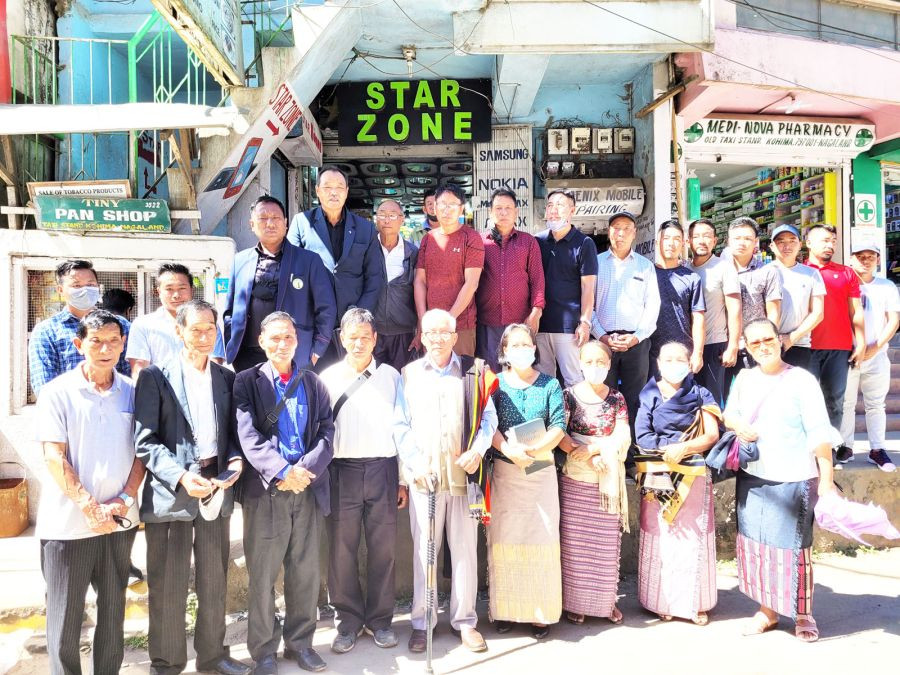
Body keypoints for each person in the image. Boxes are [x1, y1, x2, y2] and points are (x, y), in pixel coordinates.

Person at [134, 300, 249, 675]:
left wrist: (233, 462)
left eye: (210, 329)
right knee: (168, 585)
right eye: (195, 329)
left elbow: (233, 434)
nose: (203, 337)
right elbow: (145, 441)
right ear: (179, 331)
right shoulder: (155, 376)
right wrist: (182, 476)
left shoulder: (225, 378)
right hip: (173, 493)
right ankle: (167, 664)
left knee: (214, 580)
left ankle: (213, 656)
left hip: (215, 487)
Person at [34, 309, 144, 675]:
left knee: (113, 612)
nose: (106, 348)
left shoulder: (132, 392)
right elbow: (54, 454)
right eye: (96, 341)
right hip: (68, 526)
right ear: (80, 344)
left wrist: (124, 500)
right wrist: (87, 504)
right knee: (65, 617)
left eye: (114, 340)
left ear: (123, 344)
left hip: (119, 522)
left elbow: (143, 452)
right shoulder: (57, 392)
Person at [234, 312, 335, 674]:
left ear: (298, 340)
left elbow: (327, 431)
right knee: (263, 575)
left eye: (288, 337)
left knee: (305, 571)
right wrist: (282, 471)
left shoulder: (312, 382)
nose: (282, 344)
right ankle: (263, 651)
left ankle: (300, 644)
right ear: (261, 340)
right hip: (267, 493)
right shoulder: (247, 382)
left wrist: (304, 471)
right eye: (274, 338)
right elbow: (247, 436)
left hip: (306, 488)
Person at [724, 318, 836, 643]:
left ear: (779, 339)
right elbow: (729, 413)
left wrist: (826, 481)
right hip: (753, 477)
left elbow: (819, 432)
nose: (763, 346)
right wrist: (737, 425)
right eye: (755, 342)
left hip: (795, 478)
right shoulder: (744, 378)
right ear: (746, 346)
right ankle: (768, 611)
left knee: (796, 550)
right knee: (758, 546)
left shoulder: (802, 380)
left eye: (768, 339)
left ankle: (803, 613)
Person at [393, 309, 498, 654]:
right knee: (426, 552)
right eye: (431, 332)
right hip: (426, 478)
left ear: (455, 337)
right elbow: (400, 426)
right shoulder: (407, 375)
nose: (437, 338)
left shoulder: (475, 370)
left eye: (444, 332)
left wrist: (478, 451)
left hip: (463, 478)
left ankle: (465, 622)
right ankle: (423, 622)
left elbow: (488, 419)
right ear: (421, 337)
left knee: (466, 551)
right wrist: (412, 466)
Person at [319, 308, 408, 654]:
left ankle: (381, 620)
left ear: (375, 339)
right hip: (342, 472)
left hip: (383, 470)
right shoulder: (326, 378)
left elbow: (402, 428)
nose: (358, 343)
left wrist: (401, 478)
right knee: (341, 550)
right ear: (342, 338)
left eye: (365, 337)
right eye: (351, 337)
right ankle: (348, 621)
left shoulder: (392, 377)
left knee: (383, 549)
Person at [634, 342, 721, 626]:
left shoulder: (700, 394)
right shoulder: (649, 393)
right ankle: (662, 601)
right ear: (658, 363)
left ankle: (695, 602)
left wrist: (684, 449)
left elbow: (711, 435)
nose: (674, 363)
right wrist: (668, 450)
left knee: (691, 538)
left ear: (690, 362)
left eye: (680, 358)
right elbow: (643, 436)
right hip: (658, 471)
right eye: (668, 359)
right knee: (663, 537)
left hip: (693, 473)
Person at [488, 323, 565, 639]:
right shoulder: (494, 386)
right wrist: (507, 449)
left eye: (526, 344)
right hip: (506, 474)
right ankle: (505, 610)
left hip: (540, 471)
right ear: (504, 351)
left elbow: (559, 425)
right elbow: (485, 425)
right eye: (514, 345)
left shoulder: (550, 385)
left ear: (535, 349)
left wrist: (534, 449)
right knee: (505, 540)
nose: (521, 350)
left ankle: (540, 612)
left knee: (541, 538)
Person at [556, 341, 630, 625]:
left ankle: (604, 602)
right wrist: (583, 453)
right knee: (576, 544)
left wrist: (598, 451)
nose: (595, 367)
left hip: (607, 478)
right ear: (580, 363)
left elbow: (623, 435)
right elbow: (560, 435)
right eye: (589, 362)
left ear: (609, 365)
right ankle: (576, 603)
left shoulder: (617, 398)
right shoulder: (568, 396)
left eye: (601, 362)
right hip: (577, 476)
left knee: (606, 544)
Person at [224, 195, 336, 373]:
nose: (270, 223)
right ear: (252, 224)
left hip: (292, 355)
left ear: (285, 223)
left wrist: (316, 351)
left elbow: (326, 308)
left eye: (276, 218)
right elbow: (229, 309)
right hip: (246, 356)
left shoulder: (309, 261)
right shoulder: (240, 260)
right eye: (263, 218)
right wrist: (230, 343)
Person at [288, 166, 384, 369]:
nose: (334, 192)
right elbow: (291, 272)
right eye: (328, 186)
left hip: (352, 329)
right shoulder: (301, 223)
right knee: (314, 384)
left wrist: (358, 314)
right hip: (314, 323)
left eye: (339, 187)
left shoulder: (365, 229)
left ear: (347, 191)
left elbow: (375, 278)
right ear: (317, 190)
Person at [592, 211, 659, 437]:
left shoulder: (645, 266)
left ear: (634, 234)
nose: (620, 233)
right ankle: (606, 449)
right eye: (616, 228)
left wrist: (637, 337)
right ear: (608, 232)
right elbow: (586, 304)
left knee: (635, 397)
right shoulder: (595, 263)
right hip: (602, 343)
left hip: (636, 342)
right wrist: (601, 335)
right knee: (603, 395)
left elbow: (652, 307)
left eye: (626, 229)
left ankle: (631, 454)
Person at [805, 224, 865, 463]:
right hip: (805, 347)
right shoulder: (801, 271)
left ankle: (828, 453)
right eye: (824, 240)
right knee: (806, 400)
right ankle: (806, 452)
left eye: (833, 241)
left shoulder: (847, 273)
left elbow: (856, 311)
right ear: (808, 243)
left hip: (839, 348)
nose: (830, 245)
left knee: (835, 402)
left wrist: (860, 341)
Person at [839, 243, 900, 472]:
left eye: (871, 256)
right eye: (860, 256)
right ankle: (845, 446)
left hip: (877, 355)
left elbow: (893, 320)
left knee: (876, 404)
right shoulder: (845, 284)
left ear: (878, 259)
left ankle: (877, 448)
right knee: (846, 404)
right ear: (851, 259)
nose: (866, 260)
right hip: (847, 354)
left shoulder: (886, 286)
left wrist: (876, 346)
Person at [29, 259, 131, 396]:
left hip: (116, 408)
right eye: (77, 286)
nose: (85, 290)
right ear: (60, 290)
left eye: (90, 284)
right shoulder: (47, 331)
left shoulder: (121, 325)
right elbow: (44, 387)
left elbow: (131, 374)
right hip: (70, 413)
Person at [475, 188, 545, 372]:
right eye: (498, 208)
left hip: (520, 321)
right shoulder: (479, 242)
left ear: (516, 212)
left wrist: (535, 313)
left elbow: (537, 279)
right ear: (490, 212)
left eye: (508, 208)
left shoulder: (528, 242)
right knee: (490, 373)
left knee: (520, 371)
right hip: (487, 321)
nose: (503, 212)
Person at [535, 189, 598, 387]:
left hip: (570, 329)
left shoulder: (584, 243)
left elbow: (588, 287)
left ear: (572, 210)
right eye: (550, 205)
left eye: (560, 205)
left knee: (574, 382)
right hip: (540, 326)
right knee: (543, 383)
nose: (553, 210)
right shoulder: (537, 241)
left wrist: (585, 322)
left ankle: (577, 419)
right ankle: (547, 420)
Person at [413, 184, 485, 357]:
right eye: (442, 204)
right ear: (434, 208)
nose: (447, 209)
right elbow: (420, 281)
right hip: (431, 328)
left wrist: (448, 320)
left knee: (461, 376)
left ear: (461, 209)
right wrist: (423, 321)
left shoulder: (471, 237)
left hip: (460, 325)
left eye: (452, 204)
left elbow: (471, 283)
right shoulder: (428, 239)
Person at [127, 263, 226, 380]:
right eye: (169, 289)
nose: (176, 295)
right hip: (159, 394)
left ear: (191, 290)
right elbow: (140, 371)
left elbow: (215, 365)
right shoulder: (143, 325)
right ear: (158, 292)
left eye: (182, 288)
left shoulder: (208, 324)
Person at [723, 217, 782, 394]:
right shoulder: (718, 268)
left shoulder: (767, 271)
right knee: (721, 399)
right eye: (737, 238)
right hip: (722, 345)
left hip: (754, 346)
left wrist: (769, 344)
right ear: (728, 241)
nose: (742, 243)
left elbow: (773, 312)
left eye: (747, 238)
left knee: (757, 397)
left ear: (756, 241)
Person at [686, 218, 741, 405]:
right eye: (697, 236)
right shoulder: (685, 268)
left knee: (711, 401)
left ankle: (716, 434)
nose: (702, 241)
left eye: (707, 236)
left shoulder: (724, 267)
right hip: (686, 345)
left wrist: (732, 346)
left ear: (715, 241)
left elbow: (734, 309)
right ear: (689, 241)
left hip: (713, 344)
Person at [650, 220, 705, 377]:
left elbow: (698, 318)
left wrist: (698, 353)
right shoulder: (646, 274)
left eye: (676, 239)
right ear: (657, 242)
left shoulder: (692, 278)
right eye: (666, 238)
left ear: (683, 243)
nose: (671, 244)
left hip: (683, 351)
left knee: (682, 398)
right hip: (651, 352)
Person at [769, 224, 825, 372]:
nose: (786, 246)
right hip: (767, 346)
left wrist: (792, 338)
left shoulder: (812, 274)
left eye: (792, 241)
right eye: (780, 241)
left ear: (800, 245)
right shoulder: (763, 272)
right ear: (772, 246)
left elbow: (818, 313)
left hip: (799, 345)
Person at [372, 199, 419, 372]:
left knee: (401, 381)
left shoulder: (412, 253)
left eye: (392, 215)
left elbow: (420, 291)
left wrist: (419, 329)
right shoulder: (366, 250)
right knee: (373, 382)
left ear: (402, 219)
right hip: (373, 332)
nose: (386, 220)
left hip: (403, 332)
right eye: (382, 215)